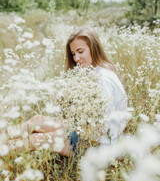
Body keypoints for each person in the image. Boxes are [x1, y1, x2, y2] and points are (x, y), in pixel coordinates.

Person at [8, 28, 127, 156]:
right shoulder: (95, 71)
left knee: (36, 139)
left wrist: (60, 134)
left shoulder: (103, 78)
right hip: (84, 132)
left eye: (80, 52)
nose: (76, 58)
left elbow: (98, 127)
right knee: (37, 120)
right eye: (73, 53)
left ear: (94, 48)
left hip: (97, 145)